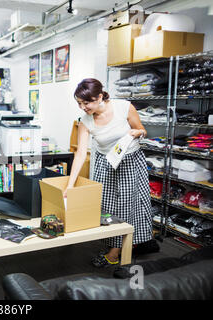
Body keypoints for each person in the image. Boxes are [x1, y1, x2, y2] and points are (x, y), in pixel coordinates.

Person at [64, 78, 153, 267]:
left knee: (127, 205)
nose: (82, 107)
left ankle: (115, 253)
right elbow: (80, 154)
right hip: (107, 163)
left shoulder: (124, 107)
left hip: (130, 162)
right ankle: (117, 245)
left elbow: (142, 129)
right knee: (106, 207)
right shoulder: (85, 121)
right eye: (79, 103)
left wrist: (137, 133)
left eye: (86, 102)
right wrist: (70, 186)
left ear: (99, 96)